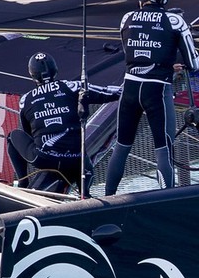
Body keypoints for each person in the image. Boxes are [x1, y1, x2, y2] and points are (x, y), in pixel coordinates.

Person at [104, 0, 199, 195]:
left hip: (130, 88)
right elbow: (194, 63)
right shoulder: (175, 20)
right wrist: (170, 64)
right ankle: (166, 199)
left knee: (121, 147)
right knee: (163, 149)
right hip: (157, 89)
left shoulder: (127, 18)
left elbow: (132, 52)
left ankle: (107, 198)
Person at [8, 52, 120, 196]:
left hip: (44, 159)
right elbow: (106, 92)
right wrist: (129, 90)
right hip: (75, 160)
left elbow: (26, 132)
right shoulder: (71, 86)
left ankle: (23, 184)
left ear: (32, 75)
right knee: (81, 157)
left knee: (12, 136)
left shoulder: (25, 100)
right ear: (55, 70)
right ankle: (85, 193)